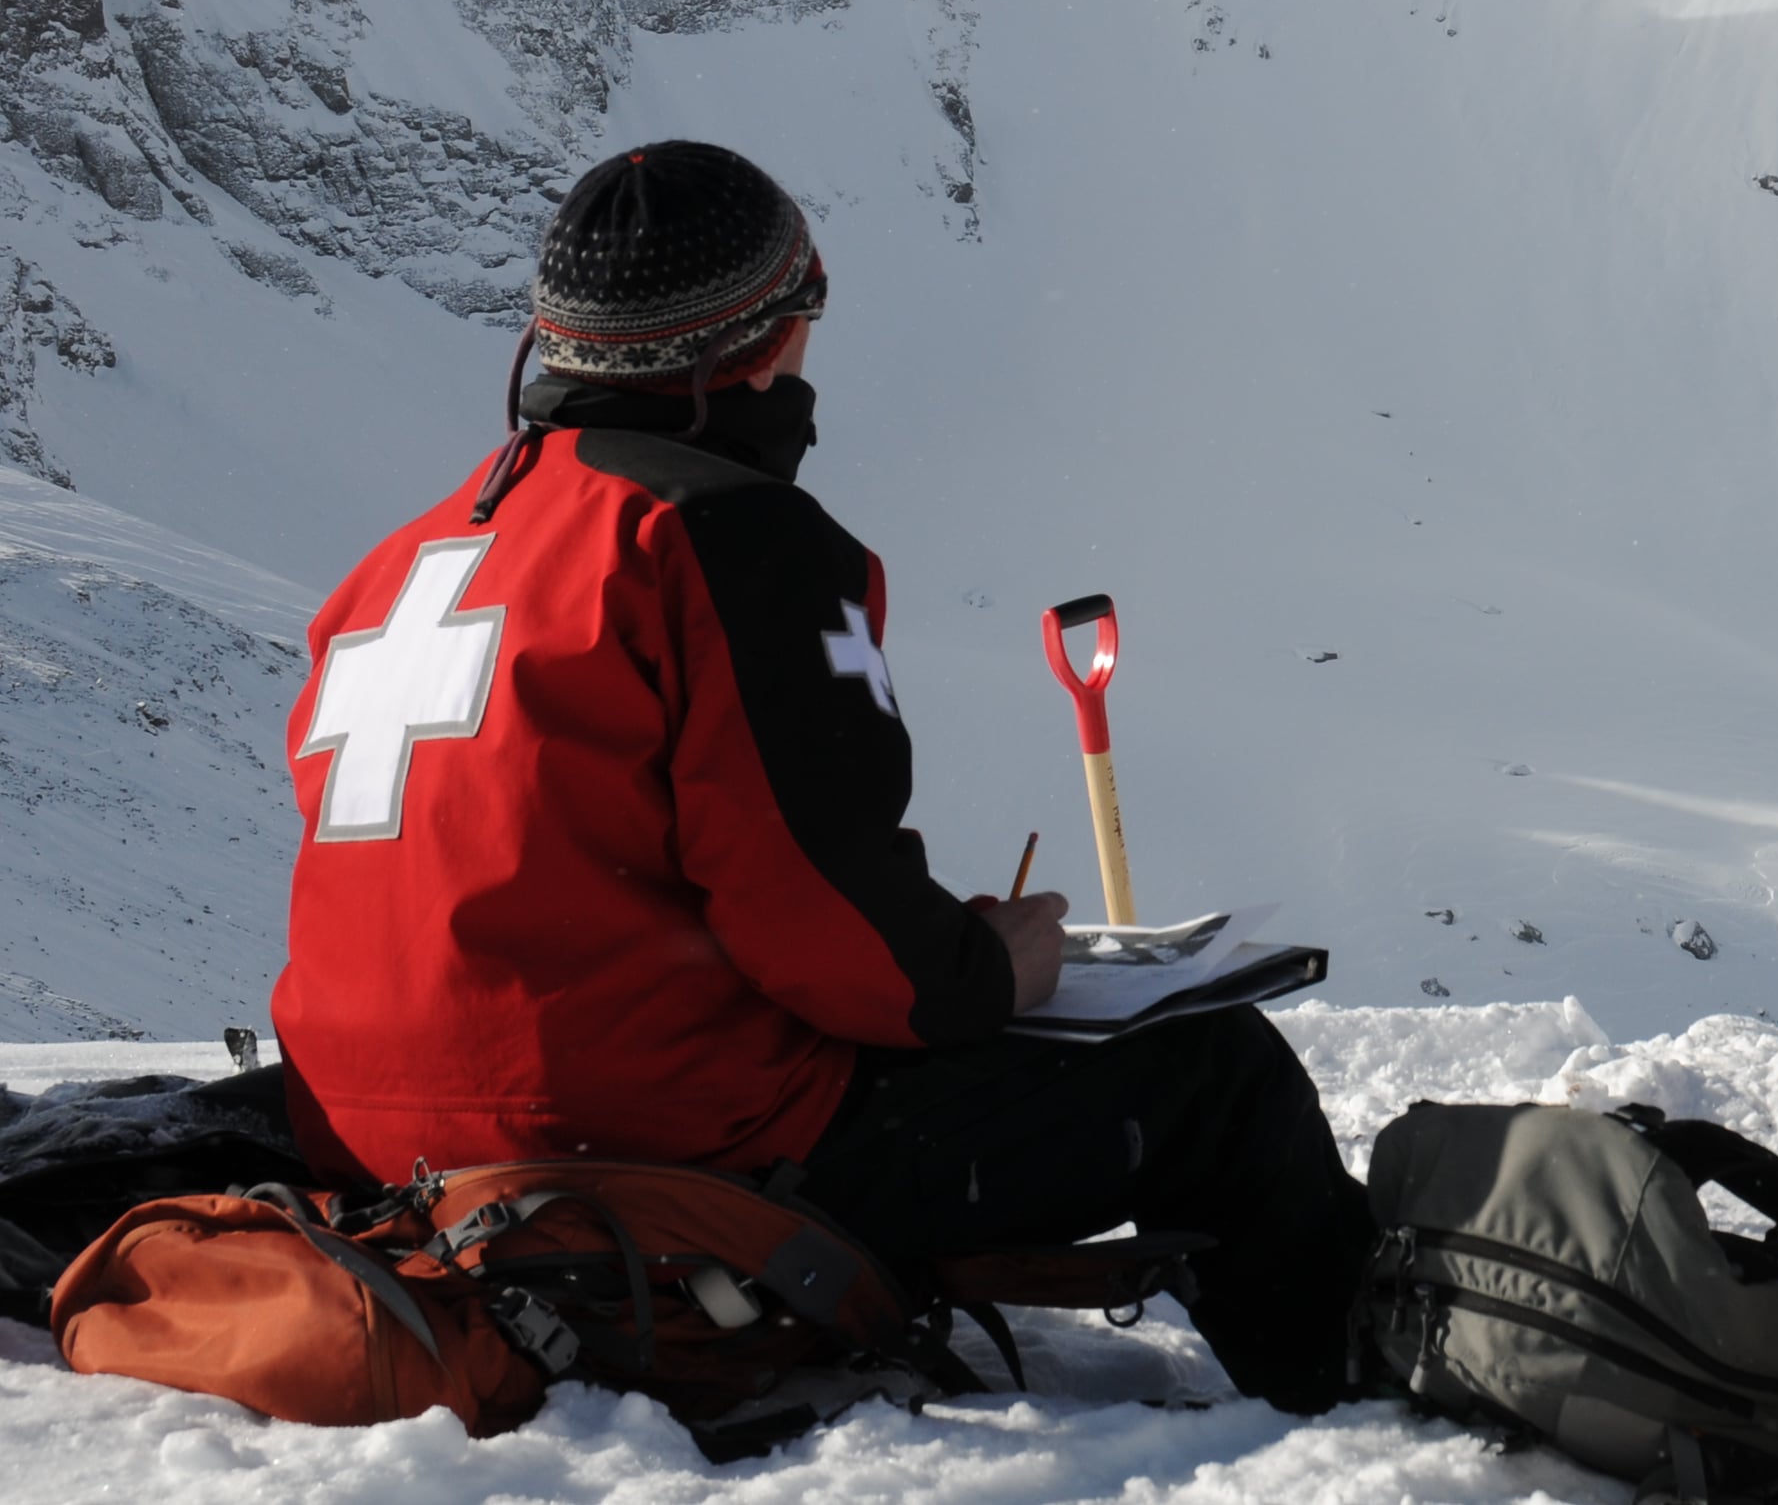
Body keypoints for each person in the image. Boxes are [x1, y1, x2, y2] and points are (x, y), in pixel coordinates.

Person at [273, 141, 1373, 1409]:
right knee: (1211, 1074)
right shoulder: (724, 537)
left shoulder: (397, 566)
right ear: (758, 346)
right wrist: (977, 972)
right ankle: (1355, 1400)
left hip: (373, 1147)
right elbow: (807, 901)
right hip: (639, 1149)